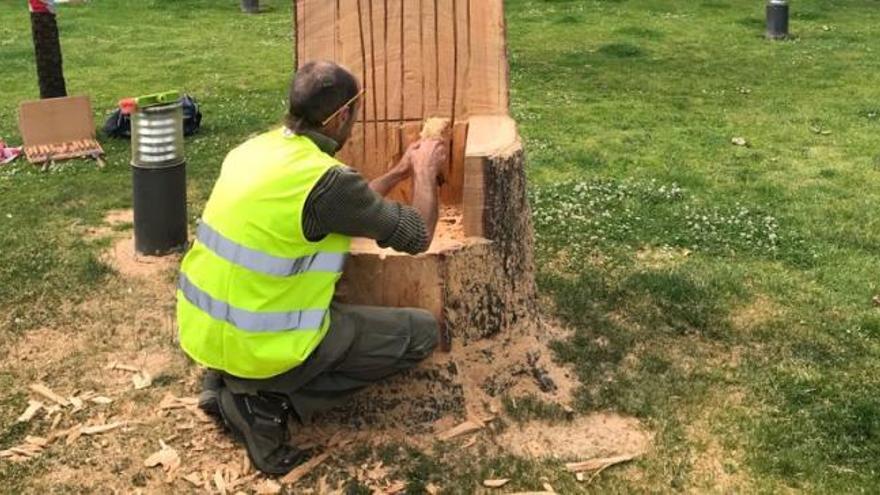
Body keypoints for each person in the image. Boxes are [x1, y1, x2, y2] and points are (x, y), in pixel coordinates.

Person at [176, 60, 448, 474]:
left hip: (209, 332)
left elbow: (343, 209)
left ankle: (226, 382)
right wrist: (427, 172)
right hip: (264, 345)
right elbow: (417, 235)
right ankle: (263, 402)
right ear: (341, 116)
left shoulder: (254, 150)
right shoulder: (327, 182)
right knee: (421, 333)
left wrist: (398, 172)